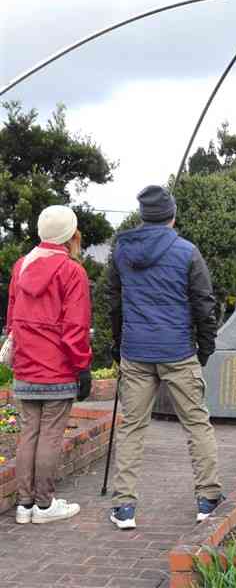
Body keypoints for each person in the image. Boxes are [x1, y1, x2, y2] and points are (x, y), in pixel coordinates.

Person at [107, 184, 223, 530]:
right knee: (197, 424)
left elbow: (113, 302)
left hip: (136, 350)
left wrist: (117, 344)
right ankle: (208, 498)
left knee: (131, 427)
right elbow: (204, 304)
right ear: (171, 215)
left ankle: (124, 506)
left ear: (143, 215)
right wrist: (206, 346)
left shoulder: (120, 251)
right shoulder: (187, 251)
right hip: (177, 350)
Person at [6, 205, 92, 524]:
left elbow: (12, 318)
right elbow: (76, 328)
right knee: (50, 436)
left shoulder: (21, 266)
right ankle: (44, 506)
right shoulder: (72, 271)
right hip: (56, 368)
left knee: (29, 433)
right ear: (70, 235)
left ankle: (24, 505)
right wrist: (82, 367)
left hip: (26, 365)